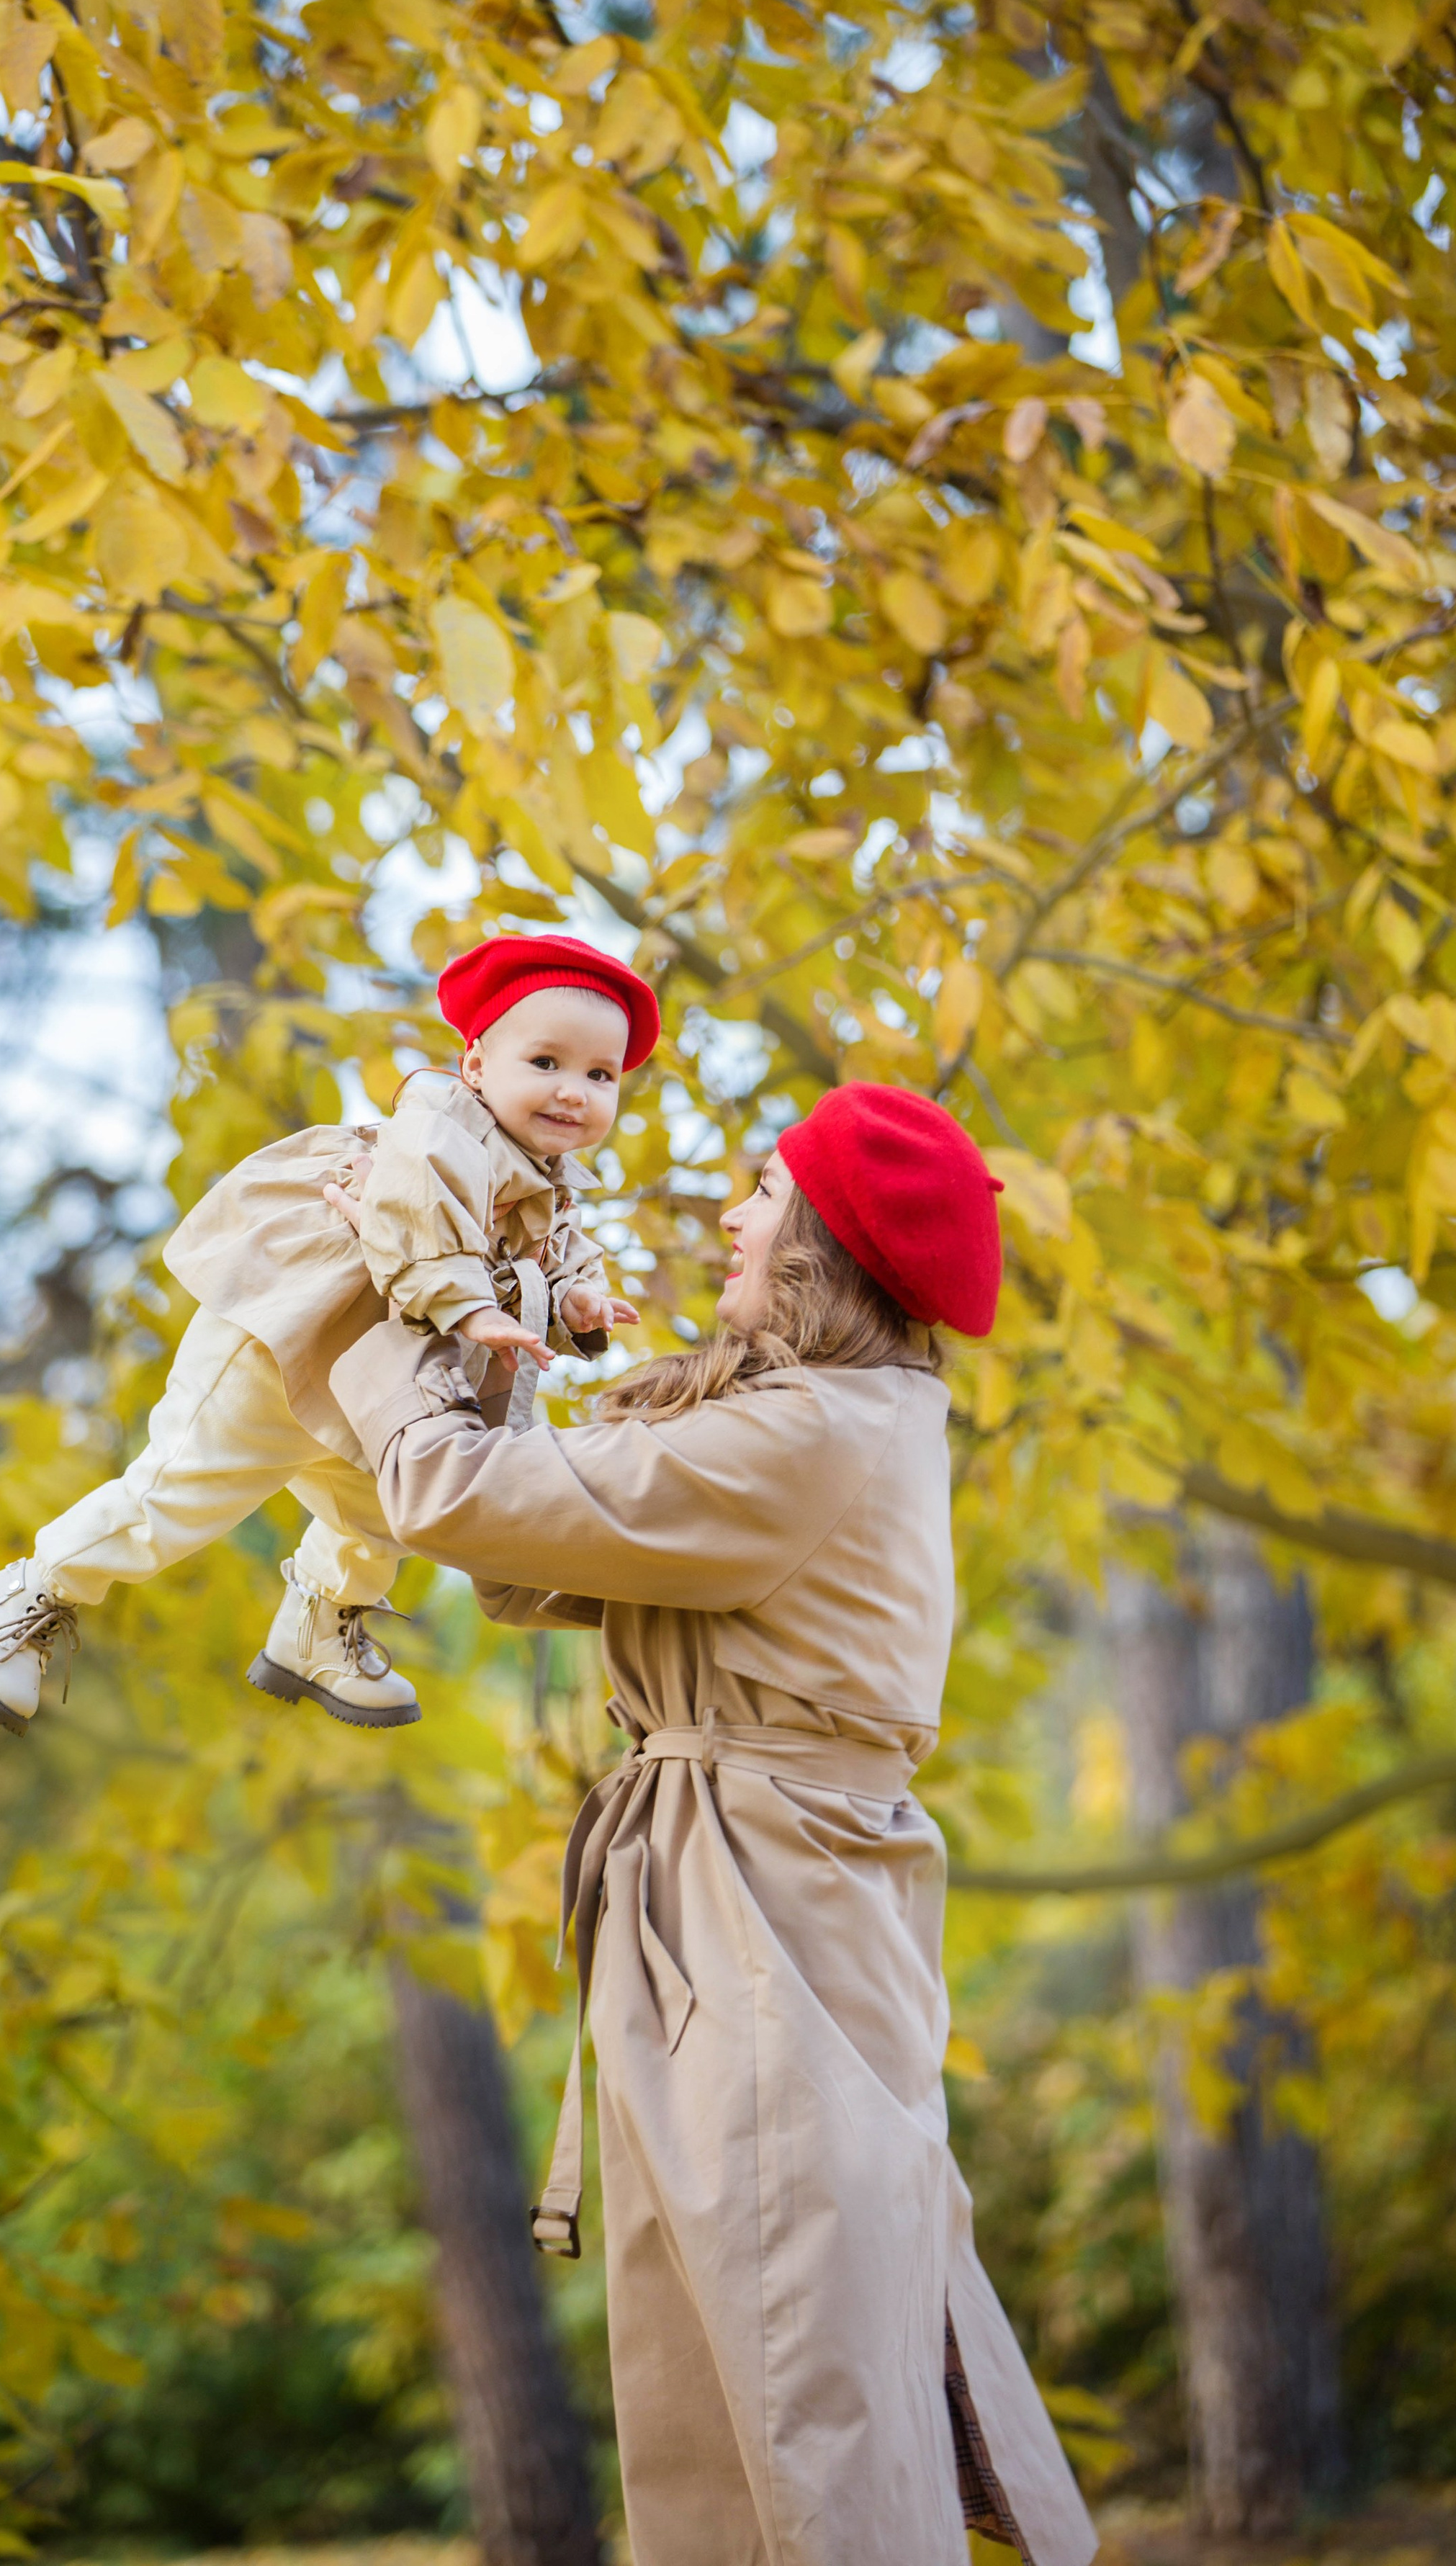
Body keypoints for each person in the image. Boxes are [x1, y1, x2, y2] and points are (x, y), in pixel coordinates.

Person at [323, 1082, 1099, 2566]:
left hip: (758, 1906)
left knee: (797, 2359)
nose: (732, 1220)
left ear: (823, 1242)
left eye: (760, 1192)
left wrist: (370, 1293)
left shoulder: (810, 1432)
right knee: (725, 2355)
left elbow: (453, 1498)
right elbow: (530, 1551)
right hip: (725, 1889)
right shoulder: (812, 1422)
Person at [0, 936, 658, 1738]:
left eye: (600, 1076)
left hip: (370, 1379)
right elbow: (416, 1221)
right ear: (476, 1067)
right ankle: (25, 1595)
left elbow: (556, 1256)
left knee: (389, 1514)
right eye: (547, 1063)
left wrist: (579, 1300)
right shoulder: (437, 1134)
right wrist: (470, 1310)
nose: (574, 1092)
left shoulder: (548, 1182)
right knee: (179, 1492)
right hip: (282, 1343)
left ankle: (317, 1627)